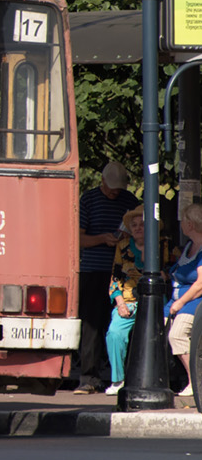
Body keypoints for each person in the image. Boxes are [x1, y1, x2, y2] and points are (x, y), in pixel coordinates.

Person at [74, 160, 138, 393]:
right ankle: (88, 378)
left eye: (119, 189)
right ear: (102, 181)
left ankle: (124, 376)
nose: (115, 193)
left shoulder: (130, 201)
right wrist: (102, 238)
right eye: (112, 188)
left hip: (125, 273)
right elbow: (78, 238)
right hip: (95, 269)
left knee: (123, 322)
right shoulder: (89, 200)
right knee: (92, 325)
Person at [106, 206, 176, 396]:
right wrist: (120, 302)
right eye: (134, 225)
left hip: (155, 300)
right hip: (128, 300)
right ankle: (118, 380)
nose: (138, 228)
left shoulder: (163, 245)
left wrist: (165, 275)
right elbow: (115, 277)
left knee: (164, 333)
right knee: (114, 333)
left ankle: (165, 379)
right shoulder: (123, 246)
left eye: (142, 224)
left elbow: (175, 270)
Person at [168, 203, 202, 400]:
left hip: (192, 301)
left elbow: (200, 284)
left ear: (190, 224)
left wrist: (180, 303)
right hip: (174, 300)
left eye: (183, 221)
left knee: (177, 335)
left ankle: (194, 381)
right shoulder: (189, 246)